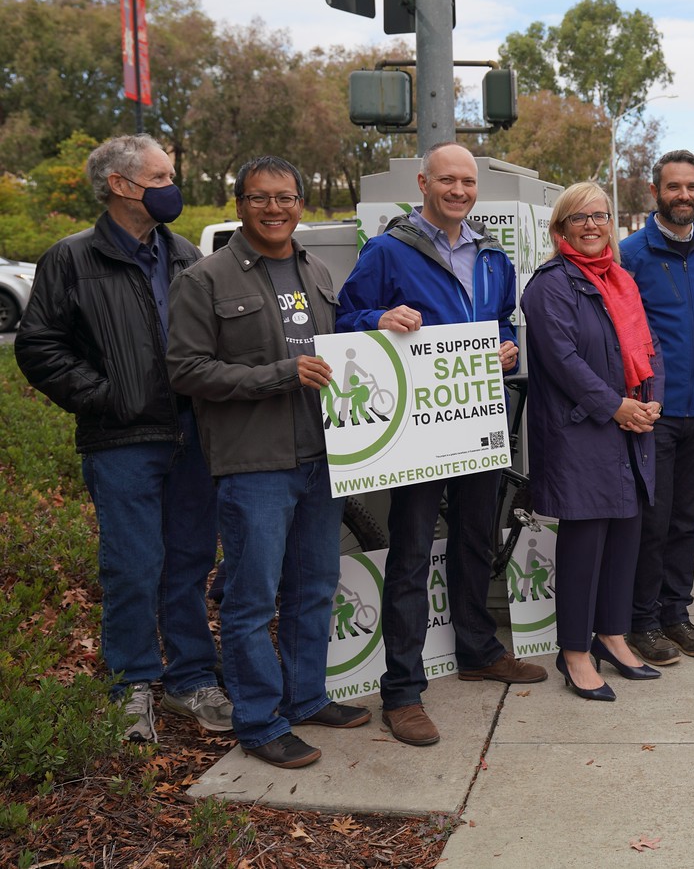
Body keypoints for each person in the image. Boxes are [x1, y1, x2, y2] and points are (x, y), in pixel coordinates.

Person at [16, 134, 228, 743]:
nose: (171, 188)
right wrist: (107, 397)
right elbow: (38, 346)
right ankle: (132, 684)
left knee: (189, 562)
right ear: (120, 184)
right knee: (134, 567)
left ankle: (191, 678)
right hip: (123, 441)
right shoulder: (71, 258)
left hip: (192, 433)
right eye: (160, 178)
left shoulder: (184, 253)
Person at [336, 142, 545, 747]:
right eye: (447, 180)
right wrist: (378, 321)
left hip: (475, 420)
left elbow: (502, 319)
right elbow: (347, 316)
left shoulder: (491, 256)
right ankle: (402, 690)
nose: (459, 190)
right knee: (410, 549)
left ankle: (478, 649)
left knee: (476, 538)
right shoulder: (387, 249)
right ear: (424, 183)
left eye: (468, 182)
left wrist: (504, 344)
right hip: (419, 431)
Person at [166, 157, 370, 768]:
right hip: (255, 464)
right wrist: (279, 375)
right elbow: (186, 370)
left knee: (312, 588)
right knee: (252, 599)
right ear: (240, 203)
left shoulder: (317, 269)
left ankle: (306, 697)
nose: (275, 208)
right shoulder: (205, 279)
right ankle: (258, 721)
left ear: (301, 203)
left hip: (322, 459)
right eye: (260, 198)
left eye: (286, 197)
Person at [525, 182, 662, 701]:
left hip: (630, 428)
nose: (591, 225)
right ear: (561, 227)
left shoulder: (621, 281)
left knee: (625, 535)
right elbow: (563, 362)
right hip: (581, 430)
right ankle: (575, 652)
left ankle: (612, 636)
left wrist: (652, 402)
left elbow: (648, 347)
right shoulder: (549, 286)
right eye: (579, 218)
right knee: (585, 542)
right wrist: (617, 407)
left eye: (599, 216)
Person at [619, 151, 694, 665]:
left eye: (692, 187)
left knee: (687, 518)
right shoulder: (629, 255)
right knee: (652, 519)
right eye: (674, 187)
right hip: (651, 412)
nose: (683, 196)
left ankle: (676, 613)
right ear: (656, 192)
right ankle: (641, 620)